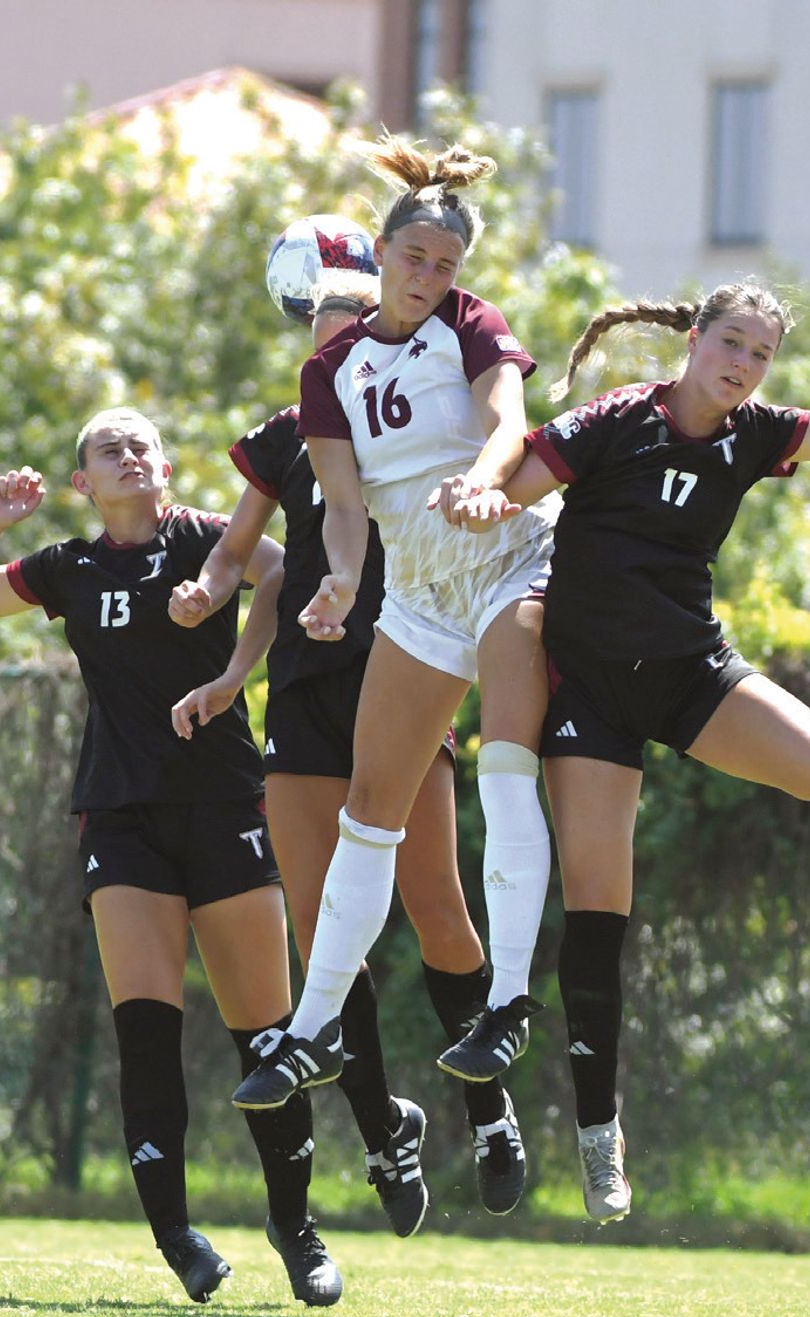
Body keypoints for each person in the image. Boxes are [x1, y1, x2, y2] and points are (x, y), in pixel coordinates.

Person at [440, 281, 810, 1223]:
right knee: (599, 916)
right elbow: (514, 483)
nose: (744, 366)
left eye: (761, 354)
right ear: (694, 341)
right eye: (732, 343)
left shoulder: (753, 433)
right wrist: (477, 496)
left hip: (692, 675)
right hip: (590, 692)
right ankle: (600, 1139)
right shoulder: (616, 420)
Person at [0, 409, 343, 1306]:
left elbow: (282, 574)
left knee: (267, 1039)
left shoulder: (207, 540)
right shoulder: (68, 568)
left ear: (164, 466)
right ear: (85, 485)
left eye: (140, 442)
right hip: (121, 819)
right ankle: (175, 1236)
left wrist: (234, 678)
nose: (129, 453)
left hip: (224, 803)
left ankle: (296, 1231)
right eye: (108, 448)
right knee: (146, 1037)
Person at [169, 270, 528, 1228]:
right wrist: (210, 601)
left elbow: (501, 448)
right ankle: (383, 1133)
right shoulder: (291, 439)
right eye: (324, 334)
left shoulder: (427, 420)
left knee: (437, 910)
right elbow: (241, 552)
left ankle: (490, 1111)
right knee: (325, 919)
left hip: (407, 671)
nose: (339, 348)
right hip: (307, 689)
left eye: (350, 328)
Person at [230, 133, 562, 1115]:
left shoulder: (468, 324)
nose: (429, 276)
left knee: (505, 770)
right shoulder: (330, 367)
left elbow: (508, 420)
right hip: (417, 592)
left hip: (508, 562)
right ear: (379, 252)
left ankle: (505, 1002)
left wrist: (483, 477)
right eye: (415, 257)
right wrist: (336, 580)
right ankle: (311, 1025)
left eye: (446, 265)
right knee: (367, 812)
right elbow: (340, 503)